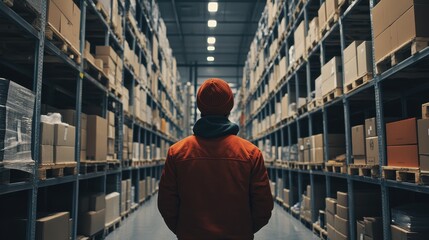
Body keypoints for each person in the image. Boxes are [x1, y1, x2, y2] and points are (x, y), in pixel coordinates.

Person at [158, 78, 273, 239]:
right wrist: (243, 230)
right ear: (230, 106)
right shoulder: (250, 153)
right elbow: (263, 206)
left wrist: (184, 230)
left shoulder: (177, 152)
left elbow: (166, 203)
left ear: (200, 107)